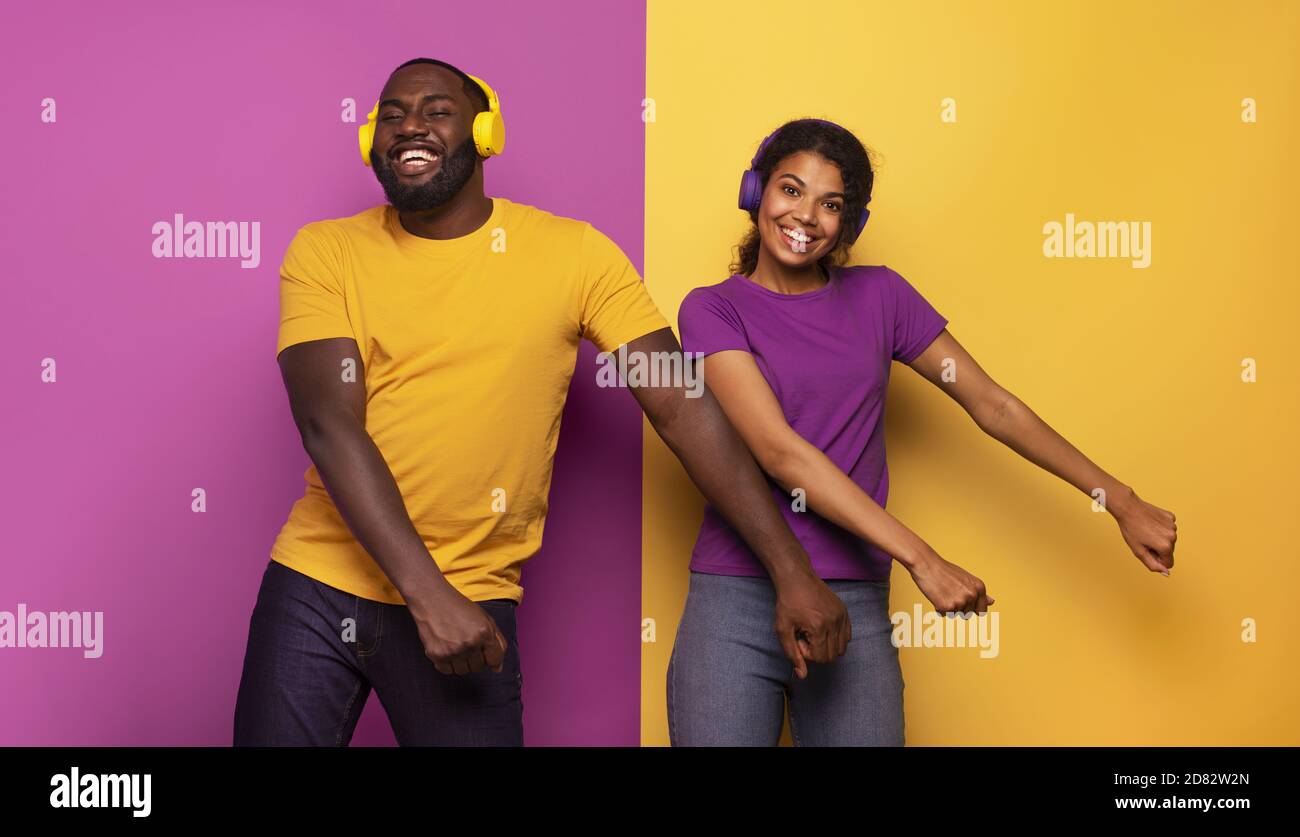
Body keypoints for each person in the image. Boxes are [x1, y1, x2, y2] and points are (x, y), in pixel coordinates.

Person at [233, 60, 851, 746]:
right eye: (392, 114)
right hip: (318, 587)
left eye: (436, 111)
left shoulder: (574, 255)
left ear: (485, 131)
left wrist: (792, 570)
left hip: (471, 596)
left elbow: (683, 409)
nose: (409, 126)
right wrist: (426, 594)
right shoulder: (326, 251)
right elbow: (328, 422)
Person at [667, 118, 1179, 746]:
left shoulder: (882, 297)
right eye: (790, 190)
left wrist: (1120, 502)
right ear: (756, 192)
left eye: (831, 204)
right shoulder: (713, 309)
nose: (805, 216)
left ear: (849, 222)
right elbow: (779, 452)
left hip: (852, 596)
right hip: (736, 598)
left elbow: (993, 406)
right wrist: (924, 559)